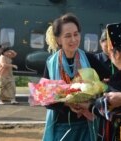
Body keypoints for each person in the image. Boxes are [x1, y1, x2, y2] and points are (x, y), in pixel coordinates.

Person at [42, 13, 109, 141]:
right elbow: (45, 98)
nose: (73, 39)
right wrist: (67, 104)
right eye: (67, 36)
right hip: (61, 126)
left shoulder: (90, 59)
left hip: (87, 126)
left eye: (76, 34)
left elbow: (109, 82)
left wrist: (91, 100)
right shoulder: (51, 63)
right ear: (58, 40)